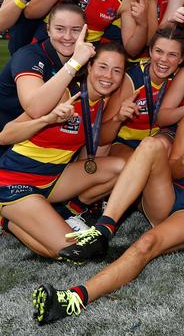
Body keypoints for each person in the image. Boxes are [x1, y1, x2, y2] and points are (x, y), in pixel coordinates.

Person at [32, 72, 184, 324]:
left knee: (145, 244)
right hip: (172, 193)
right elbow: (173, 169)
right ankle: (104, 228)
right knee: (151, 145)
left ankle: (74, 298)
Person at [0, 42, 127, 261]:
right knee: (72, 251)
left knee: (123, 168)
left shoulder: (100, 101)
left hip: (53, 180)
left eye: (117, 70)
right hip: (15, 180)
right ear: (89, 67)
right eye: (103, 67)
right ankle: (7, 220)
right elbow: (6, 134)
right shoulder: (64, 94)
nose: (109, 76)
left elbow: (96, 136)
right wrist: (47, 120)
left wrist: (117, 119)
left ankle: (69, 211)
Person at [0, 0, 94, 141]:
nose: (67, 37)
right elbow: (35, 108)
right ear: (48, 30)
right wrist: (74, 64)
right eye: (60, 29)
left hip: (34, 139)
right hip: (7, 139)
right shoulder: (29, 56)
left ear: (85, 33)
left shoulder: (86, 59)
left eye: (76, 30)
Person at [101, 27, 184, 159]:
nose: (164, 59)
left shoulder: (181, 77)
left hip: (158, 141)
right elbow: (102, 137)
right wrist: (117, 118)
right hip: (124, 143)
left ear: (181, 59)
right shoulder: (130, 80)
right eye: (159, 51)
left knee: (159, 148)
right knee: (138, 161)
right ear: (150, 51)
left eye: (172, 54)